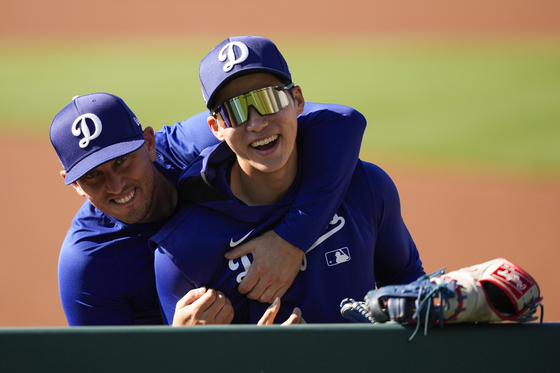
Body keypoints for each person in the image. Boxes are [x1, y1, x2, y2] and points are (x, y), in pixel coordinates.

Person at [50, 73, 366, 323]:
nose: (116, 184)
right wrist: (183, 349)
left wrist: (292, 238)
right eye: (92, 175)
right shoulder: (88, 262)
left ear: (149, 143)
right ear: (73, 184)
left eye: (122, 160)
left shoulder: (189, 147)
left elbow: (342, 121)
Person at [151, 35, 425, 324]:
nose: (256, 123)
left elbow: (405, 280)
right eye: (236, 111)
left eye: (268, 99)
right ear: (216, 127)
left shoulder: (366, 187)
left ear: (297, 100)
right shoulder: (180, 253)